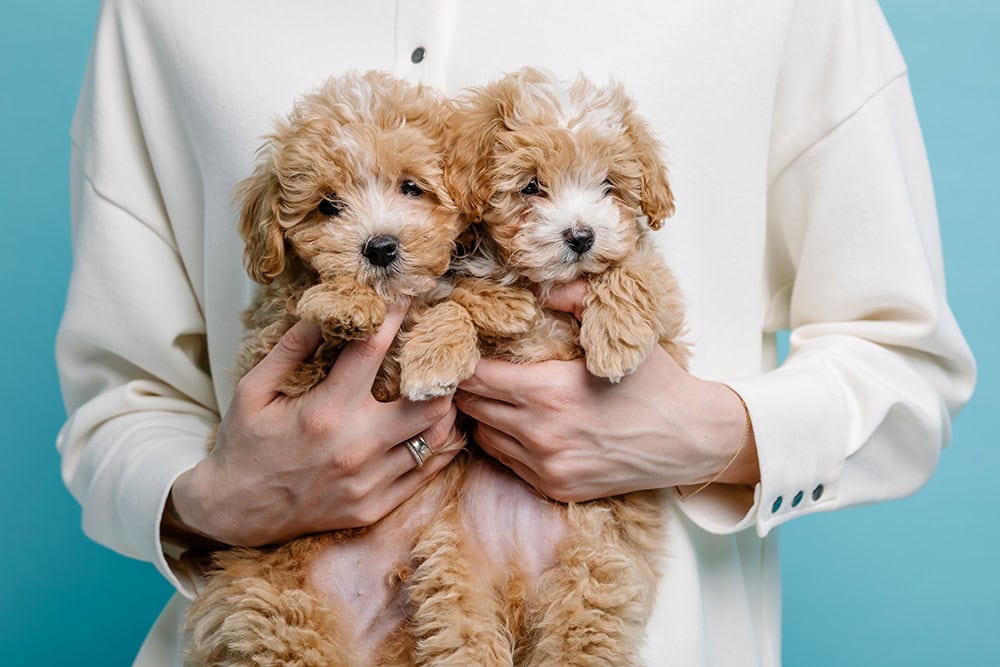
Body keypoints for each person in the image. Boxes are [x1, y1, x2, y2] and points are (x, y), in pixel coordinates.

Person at [56, 0, 976, 665]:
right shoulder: (154, 14)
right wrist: (214, 497)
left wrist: (700, 435)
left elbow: (907, 366)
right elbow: (116, 400)